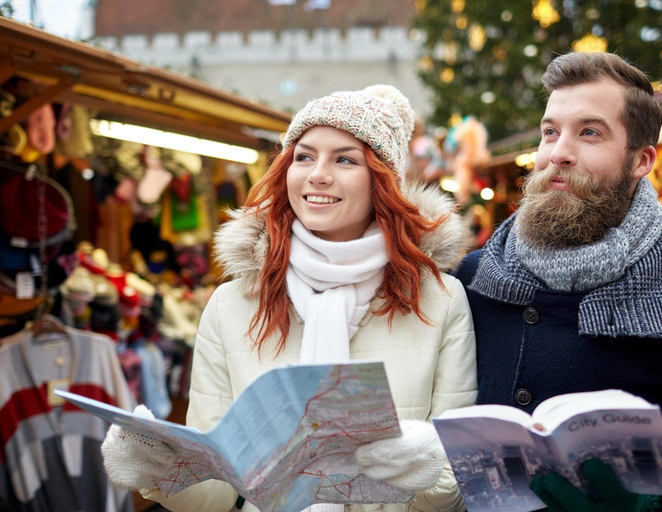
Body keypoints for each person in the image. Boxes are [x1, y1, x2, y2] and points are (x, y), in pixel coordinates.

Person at [100, 85, 478, 512]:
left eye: (345, 159)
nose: (317, 173)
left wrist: (426, 470)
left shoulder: (440, 301)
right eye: (303, 156)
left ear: (382, 180)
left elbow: (457, 489)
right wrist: (159, 472)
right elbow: (217, 493)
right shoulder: (232, 304)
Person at [452, 52, 662, 511]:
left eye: (590, 132)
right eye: (550, 131)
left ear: (640, 160)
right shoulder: (476, 277)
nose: (558, 151)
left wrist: (651, 504)